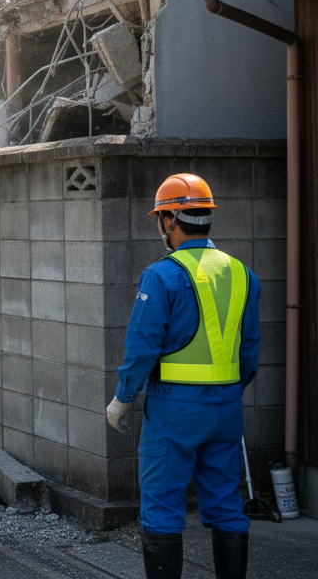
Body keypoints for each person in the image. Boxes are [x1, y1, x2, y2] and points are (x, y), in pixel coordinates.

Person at [107, 174, 259, 579]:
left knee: (161, 507)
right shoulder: (243, 274)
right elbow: (250, 351)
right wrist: (226, 390)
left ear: (172, 218)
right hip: (226, 407)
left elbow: (142, 345)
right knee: (227, 504)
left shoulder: (162, 275)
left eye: (161, 218)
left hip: (174, 409)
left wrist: (124, 396)